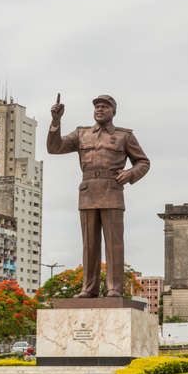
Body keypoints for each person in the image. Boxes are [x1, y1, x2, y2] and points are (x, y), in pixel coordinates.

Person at [47, 94, 150, 297]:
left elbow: (143, 162)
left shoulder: (124, 136)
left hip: (112, 191)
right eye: (97, 107)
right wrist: (56, 121)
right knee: (89, 245)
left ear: (113, 111)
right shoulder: (81, 134)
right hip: (88, 192)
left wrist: (130, 174)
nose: (100, 110)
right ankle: (89, 288)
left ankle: (114, 288)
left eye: (104, 106)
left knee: (114, 244)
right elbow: (54, 148)